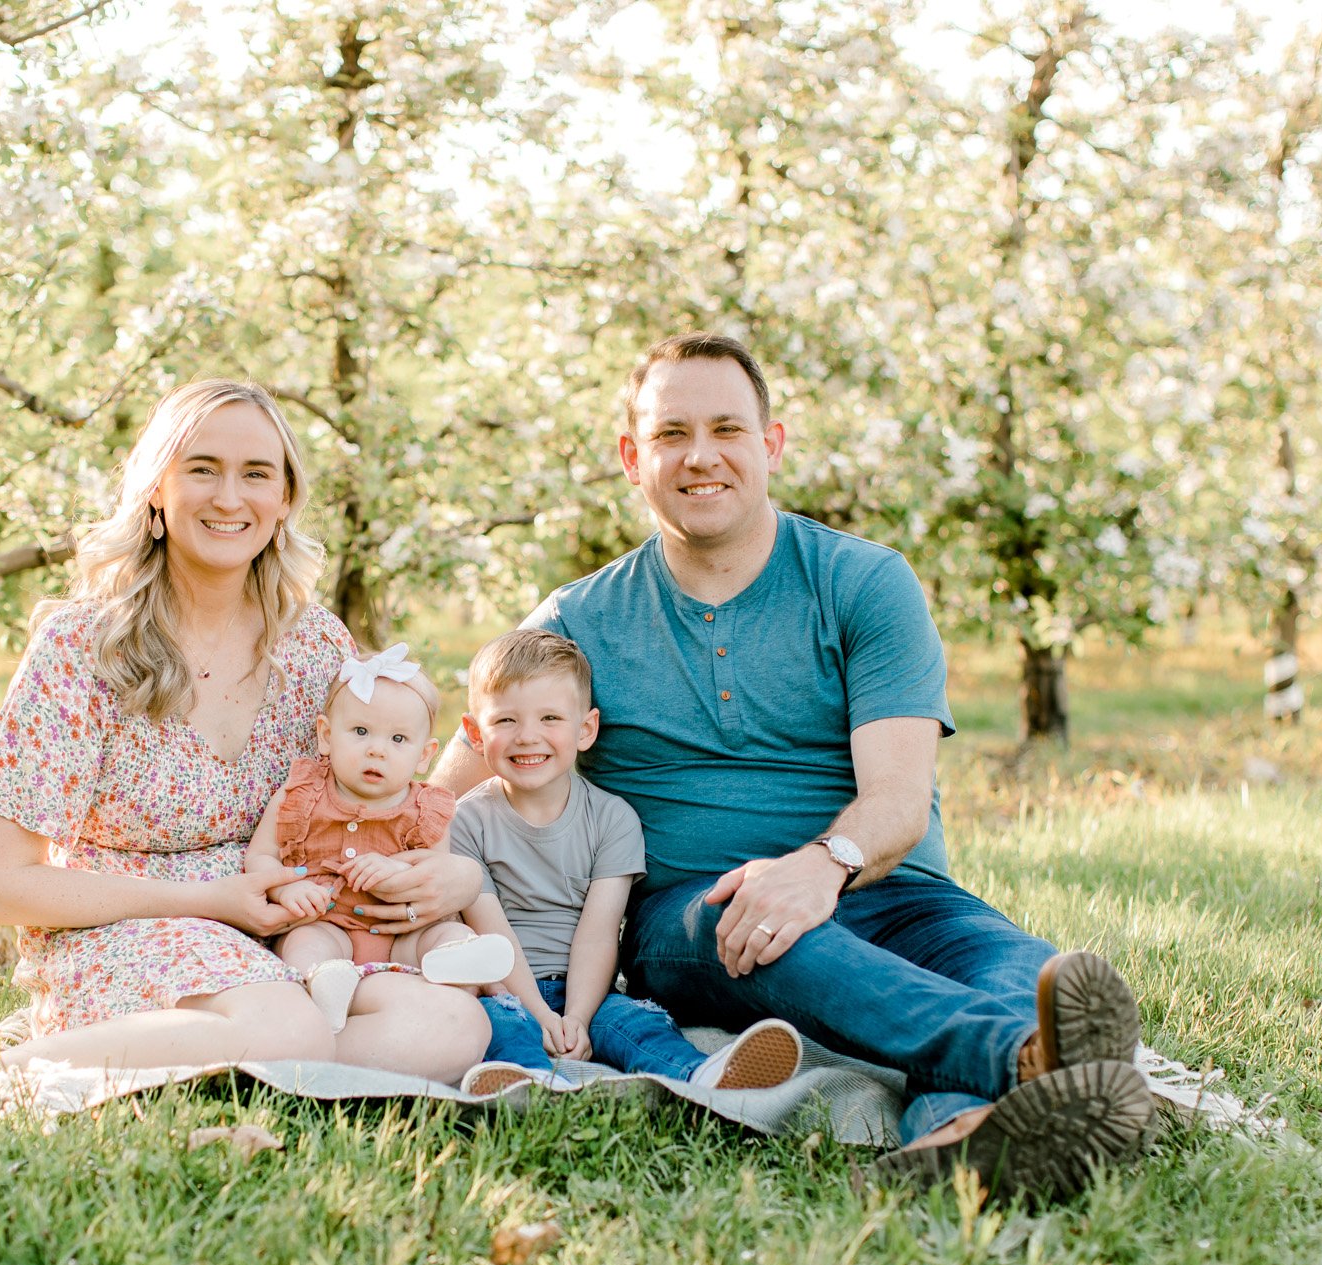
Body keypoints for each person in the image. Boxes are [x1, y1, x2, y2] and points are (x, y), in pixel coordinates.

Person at [431, 334, 1150, 1196]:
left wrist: (823, 866)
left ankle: (963, 1141)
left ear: (770, 445)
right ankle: (1028, 1059)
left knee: (1020, 970)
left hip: (891, 889)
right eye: (670, 434)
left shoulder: (864, 583)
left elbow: (896, 802)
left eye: (728, 428)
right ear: (633, 457)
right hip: (697, 918)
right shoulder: (578, 620)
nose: (701, 456)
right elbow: (442, 799)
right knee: (770, 923)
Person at [0, 378, 488, 1094]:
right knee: (291, 1028)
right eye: (202, 468)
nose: (229, 497)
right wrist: (211, 898)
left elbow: (377, 796)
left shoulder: (317, 647)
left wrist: (452, 875)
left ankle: (197, 1057)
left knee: (453, 1026)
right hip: (123, 930)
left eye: (256, 474)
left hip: (295, 936)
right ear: (156, 488)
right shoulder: (81, 647)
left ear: (283, 501)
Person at [447, 628, 802, 1097]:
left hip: (587, 987)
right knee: (493, 1024)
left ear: (585, 729)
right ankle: (527, 1083)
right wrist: (538, 1013)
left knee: (636, 1022)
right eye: (506, 721)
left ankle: (702, 1075)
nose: (527, 736)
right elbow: (492, 934)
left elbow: (599, 929)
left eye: (550, 717)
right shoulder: (464, 821)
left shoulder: (612, 819)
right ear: (475, 733)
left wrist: (575, 1016)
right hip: (502, 987)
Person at [244, 645, 515, 1032]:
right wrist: (287, 892)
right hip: (326, 923)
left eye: (398, 740)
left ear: (425, 756)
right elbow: (260, 857)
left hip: (400, 935)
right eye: (360, 731)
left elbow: (434, 875)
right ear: (325, 735)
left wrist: (396, 871)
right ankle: (326, 983)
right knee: (305, 944)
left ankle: (456, 959)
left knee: (448, 932)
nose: (377, 749)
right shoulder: (301, 793)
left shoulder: (427, 809)